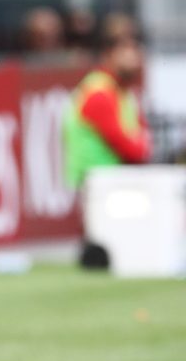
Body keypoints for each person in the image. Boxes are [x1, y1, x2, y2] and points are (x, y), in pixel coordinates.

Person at [64, 33, 151, 268]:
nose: (134, 59)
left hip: (111, 176)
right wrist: (142, 146)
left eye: (136, 51)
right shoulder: (100, 93)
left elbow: (139, 131)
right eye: (126, 52)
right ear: (108, 56)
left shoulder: (120, 91)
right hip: (98, 176)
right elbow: (128, 145)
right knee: (110, 248)